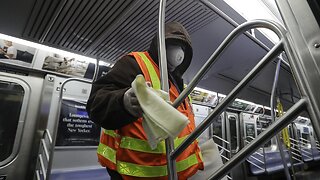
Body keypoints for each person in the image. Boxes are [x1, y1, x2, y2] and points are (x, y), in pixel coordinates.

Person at [86, 22, 204, 180]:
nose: (178, 53)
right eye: (173, 44)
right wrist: (123, 102)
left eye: (183, 48)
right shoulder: (133, 64)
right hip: (134, 173)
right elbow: (96, 104)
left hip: (176, 174)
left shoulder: (178, 83)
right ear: (159, 44)